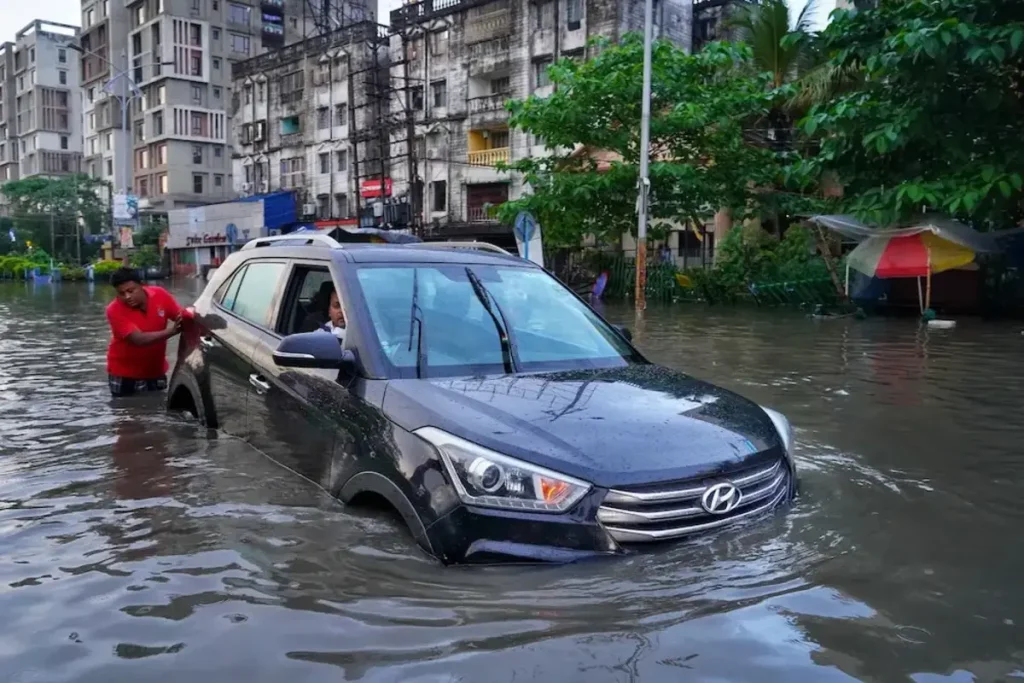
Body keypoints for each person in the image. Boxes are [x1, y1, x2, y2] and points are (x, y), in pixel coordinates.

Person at [105, 267, 192, 397]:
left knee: (157, 411)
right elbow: (138, 339)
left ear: (142, 285)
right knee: (126, 413)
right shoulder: (114, 309)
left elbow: (181, 316)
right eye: (121, 293)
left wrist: (195, 315)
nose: (127, 297)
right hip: (124, 374)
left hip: (155, 371)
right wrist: (172, 331)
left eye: (130, 291)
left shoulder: (160, 295)